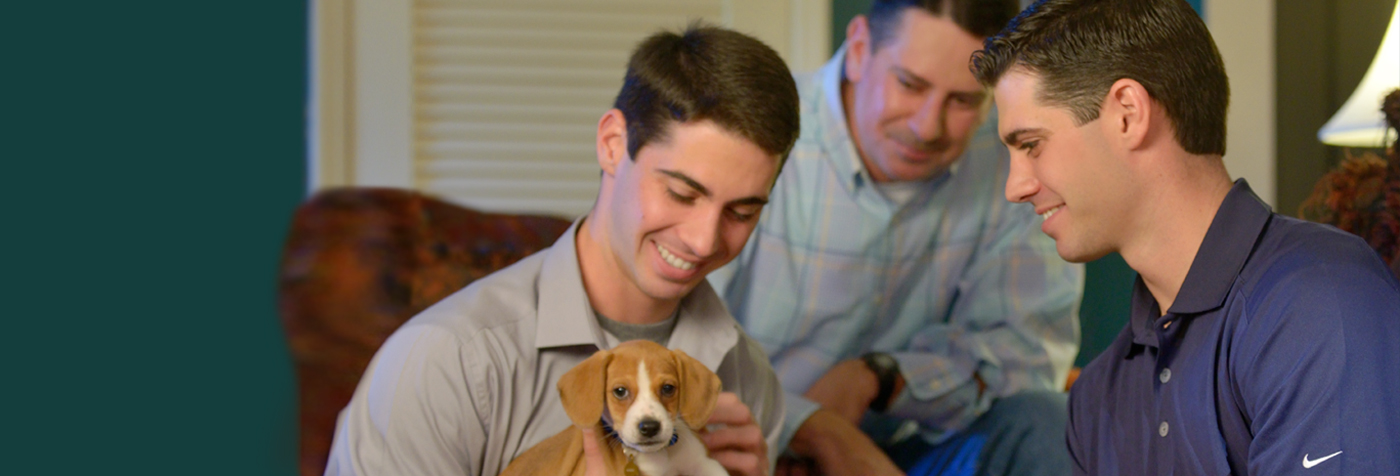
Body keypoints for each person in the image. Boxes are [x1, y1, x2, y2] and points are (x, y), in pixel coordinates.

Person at [323, 24, 800, 476]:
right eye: (681, 193)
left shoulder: (749, 382)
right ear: (613, 144)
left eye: (741, 212)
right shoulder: (442, 365)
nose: (703, 240)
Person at [971, 0, 1400, 474]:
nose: (1016, 187)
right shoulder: (1096, 398)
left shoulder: (1318, 302)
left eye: (1031, 145)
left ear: (1128, 114)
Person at [707, 1, 1085, 474]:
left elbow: (1028, 355)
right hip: (745, 447)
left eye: (964, 100)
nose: (927, 127)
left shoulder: (1014, 160)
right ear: (861, 47)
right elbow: (673, 348)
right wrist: (813, 428)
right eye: (910, 84)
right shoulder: (750, 131)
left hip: (904, 453)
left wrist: (882, 377)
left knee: (1049, 421)